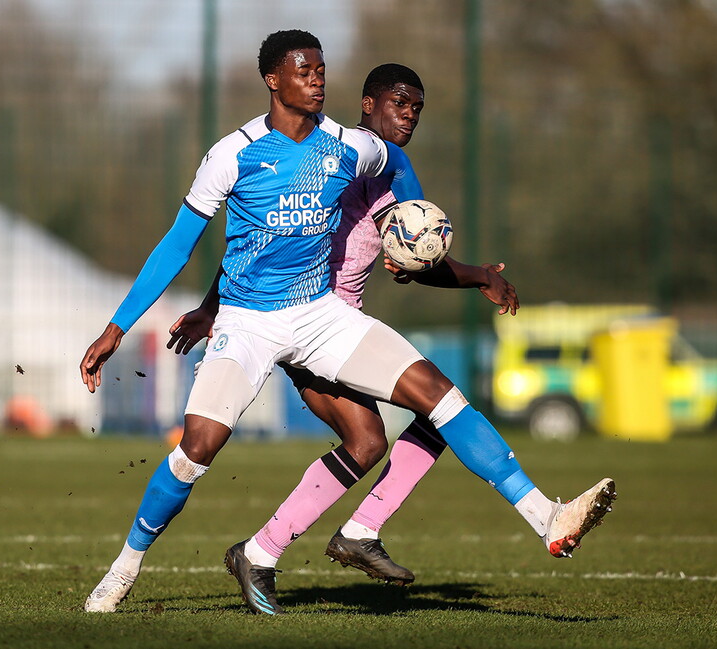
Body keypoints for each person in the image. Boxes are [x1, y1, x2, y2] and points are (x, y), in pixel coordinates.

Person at [80, 30, 616, 616]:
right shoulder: (232, 154)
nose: (316, 78)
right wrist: (118, 328)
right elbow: (177, 246)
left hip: (321, 316)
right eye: (303, 69)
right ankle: (124, 568)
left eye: (321, 68)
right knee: (196, 451)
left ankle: (547, 519)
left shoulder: (355, 149)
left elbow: (399, 197)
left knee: (436, 395)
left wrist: (412, 244)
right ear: (272, 79)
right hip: (248, 324)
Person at [167, 63, 523, 588]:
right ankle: (318, 540)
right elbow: (261, 245)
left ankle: (289, 547)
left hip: (339, 329)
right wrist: (212, 306)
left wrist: (451, 270)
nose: (408, 116)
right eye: (399, 104)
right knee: (409, 418)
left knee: (385, 435)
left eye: (417, 108)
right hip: (304, 328)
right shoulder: (334, 161)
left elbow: (410, 255)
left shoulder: (384, 170)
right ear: (367, 105)